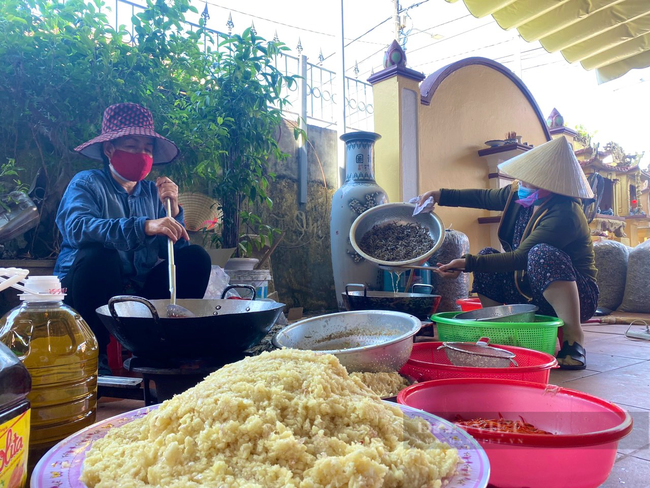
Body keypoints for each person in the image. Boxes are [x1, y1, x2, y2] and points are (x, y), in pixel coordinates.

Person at [54, 103, 212, 374]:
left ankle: (163, 350)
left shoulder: (154, 193)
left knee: (195, 258)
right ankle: (97, 357)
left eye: (148, 149)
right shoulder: (86, 183)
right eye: (132, 145)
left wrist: (173, 211)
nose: (142, 154)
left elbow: (177, 248)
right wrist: (145, 226)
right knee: (99, 254)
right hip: (88, 289)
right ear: (109, 149)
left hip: (137, 293)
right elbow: (79, 227)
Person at [419, 136, 598, 370]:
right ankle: (498, 327)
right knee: (487, 254)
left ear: (549, 184)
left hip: (575, 294)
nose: (522, 183)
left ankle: (574, 339)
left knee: (540, 254)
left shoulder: (566, 213)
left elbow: (521, 257)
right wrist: (440, 195)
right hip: (526, 287)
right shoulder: (517, 195)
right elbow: (482, 197)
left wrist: (467, 263)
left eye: (529, 180)